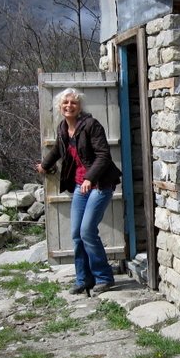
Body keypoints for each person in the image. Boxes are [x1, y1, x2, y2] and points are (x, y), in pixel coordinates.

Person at [36, 88, 122, 295]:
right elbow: (58, 149)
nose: (69, 106)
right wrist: (44, 166)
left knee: (87, 231)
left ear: (80, 106)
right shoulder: (63, 128)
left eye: (73, 103)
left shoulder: (91, 125)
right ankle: (84, 279)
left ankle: (104, 277)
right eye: (65, 103)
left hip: (100, 185)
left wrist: (89, 178)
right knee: (76, 234)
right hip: (79, 185)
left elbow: (103, 155)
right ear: (60, 106)